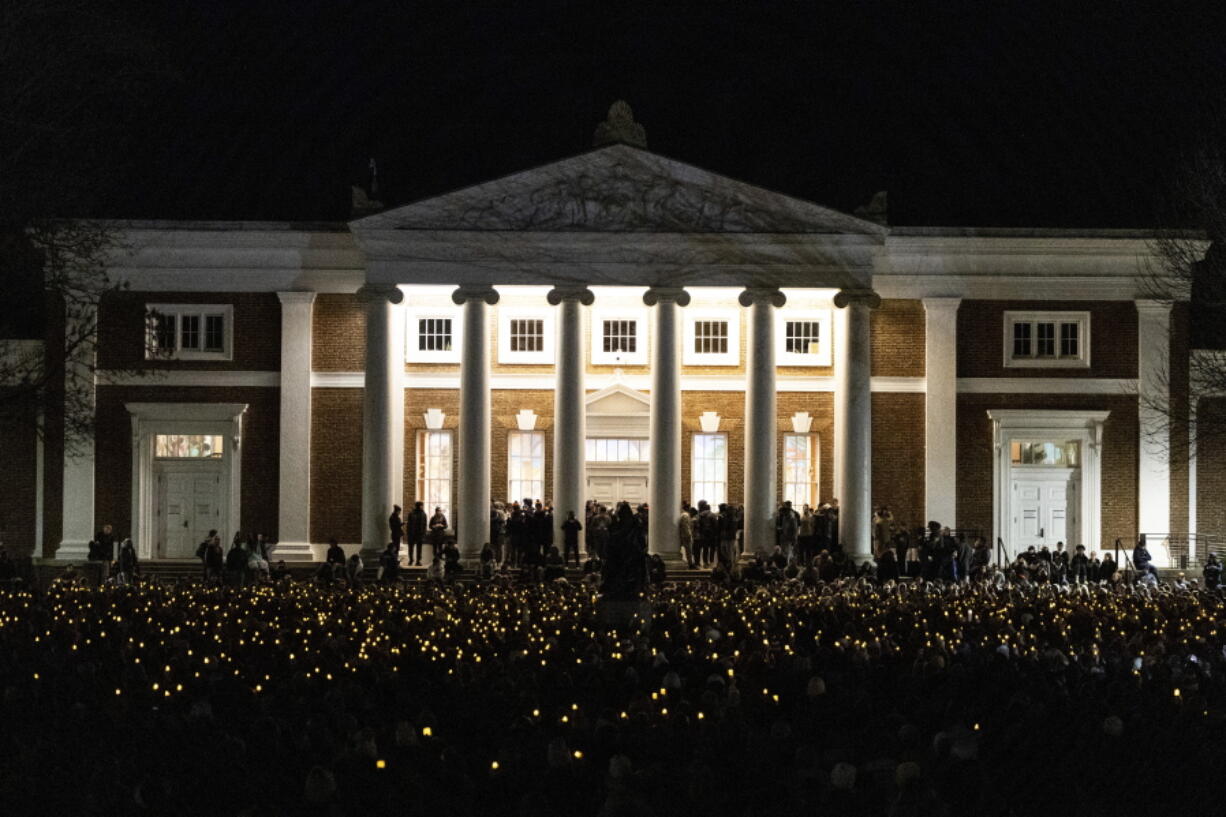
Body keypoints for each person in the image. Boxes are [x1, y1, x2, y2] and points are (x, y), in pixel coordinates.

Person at [407, 501, 428, 566]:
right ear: (418, 506)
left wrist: (424, 533)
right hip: (412, 533)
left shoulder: (424, 514)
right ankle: (411, 560)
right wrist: (408, 532)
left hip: (420, 533)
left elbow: (425, 524)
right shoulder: (411, 513)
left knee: (419, 548)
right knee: (411, 548)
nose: (422, 507)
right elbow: (409, 524)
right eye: (421, 505)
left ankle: (418, 561)